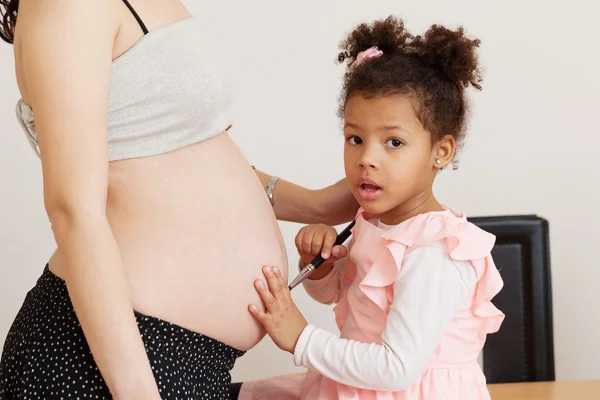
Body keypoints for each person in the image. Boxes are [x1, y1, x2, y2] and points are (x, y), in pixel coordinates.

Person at [0, 0, 358, 398]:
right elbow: (72, 211)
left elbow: (183, 155)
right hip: (111, 363)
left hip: (189, 363)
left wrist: (320, 205)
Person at [237, 16, 505, 400]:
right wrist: (321, 269)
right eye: (355, 138)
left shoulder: (436, 251)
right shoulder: (375, 222)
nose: (367, 158)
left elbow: (397, 368)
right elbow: (341, 299)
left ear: (440, 152)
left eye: (393, 143)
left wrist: (299, 337)